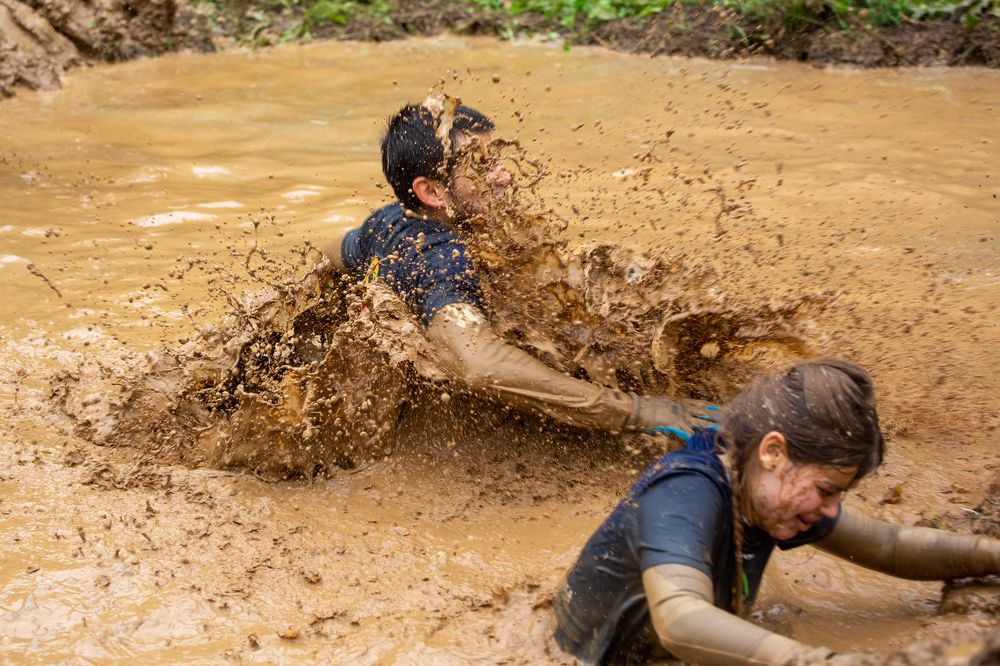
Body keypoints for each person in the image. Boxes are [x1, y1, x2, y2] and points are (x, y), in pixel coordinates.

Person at [554, 358, 1000, 664]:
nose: (830, 510)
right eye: (826, 490)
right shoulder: (684, 491)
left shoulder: (764, 491)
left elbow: (890, 546)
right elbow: (681, 621)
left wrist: (990, 554)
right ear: (773, 452)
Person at [321, 99, 712, 435]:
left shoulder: (388, 220)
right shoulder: (443, 256)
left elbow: (330, 252)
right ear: (432, 192)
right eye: (481, 167)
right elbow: (475, 363)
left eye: (497, 161)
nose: (504, 175)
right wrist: (632, 410)